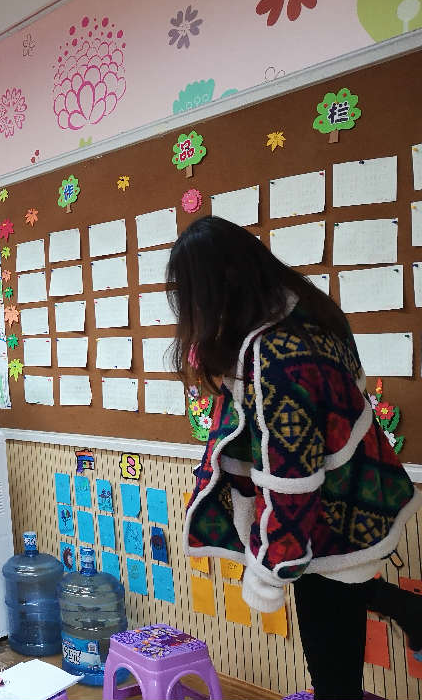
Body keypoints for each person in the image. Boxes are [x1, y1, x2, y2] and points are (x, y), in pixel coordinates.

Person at [170, 216, 422, 700]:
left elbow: (293, 478)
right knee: (341, 612)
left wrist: (271, 566)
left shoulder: (274, 354)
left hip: (328, 520)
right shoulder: (312, 316)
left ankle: (408, 612)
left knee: (333, 679)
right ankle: (410, 611)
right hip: (359, 498)